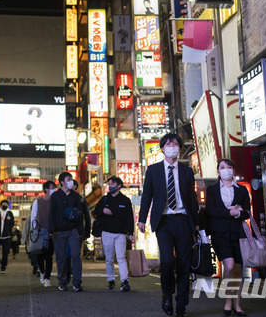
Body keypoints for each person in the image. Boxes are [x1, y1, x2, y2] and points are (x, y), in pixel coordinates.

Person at [138, 133, 199, 317]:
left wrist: (196, 224)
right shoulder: (153, 170)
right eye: (169, 144)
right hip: (163, 221)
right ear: (163, 148)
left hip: (183, 219)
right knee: (167, 261)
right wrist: (141, 219)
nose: (173, 146)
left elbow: (192, 199)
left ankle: (181, 304)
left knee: (183, 264)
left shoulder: (187, 171)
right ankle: (167, 294)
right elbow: (147, 195)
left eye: (175, 144)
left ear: (179, 149)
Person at [206, 159, 251, 317]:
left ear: (233, 170)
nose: (226, 170)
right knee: (229, 265)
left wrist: (238, 212)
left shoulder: (242, 190)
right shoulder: (211, 189)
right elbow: (210, 211)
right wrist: (228, 212)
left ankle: (237, 304)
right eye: (223, 168)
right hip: (219, 233)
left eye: (229, 167)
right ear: (218, 172)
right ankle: (228, 301)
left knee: (238, 268)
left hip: (238, 232)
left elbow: (247, 212)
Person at [49, 172, 89, 292]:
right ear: (62, 182)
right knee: (61, 257)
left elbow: (80, 214)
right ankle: (62, 281)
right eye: (68, 179)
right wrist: (51, 229)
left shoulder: (76, 196)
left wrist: (81, 230)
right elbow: (51, 213)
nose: (71, 181)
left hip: (73, 230)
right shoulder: (55, 196)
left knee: (75, 256)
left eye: (71, 179)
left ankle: (77, 282)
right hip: (59, 231)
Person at [93, 176, 134, 292]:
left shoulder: (125, 201)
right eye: (109, 184)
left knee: (121, 257)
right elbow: (95, 211)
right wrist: (103, 211)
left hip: (120, 234)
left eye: (112, 184)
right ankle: (111, 280)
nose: (109, 186)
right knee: (109, 259)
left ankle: (124, 281)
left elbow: (129, 218)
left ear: (118, 186)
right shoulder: (105, 199)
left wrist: (130, 233)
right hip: (106, 233)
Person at [30, 180, 56, 287]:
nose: (54, 189)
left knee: (49, 256)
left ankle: (47, 278)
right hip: (40, 232)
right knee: (40, 255)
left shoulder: (55, 202)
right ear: (46, 189)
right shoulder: (38, 201)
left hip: (51, 232)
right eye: (52, 187)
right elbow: (33, 217)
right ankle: (42, 272)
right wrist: (34, 231)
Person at [0, 199, 14, 273]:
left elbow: (12, 223)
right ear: (1, 205)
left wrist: (8, 231)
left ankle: (3, 267)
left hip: (6, 237)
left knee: (5, 253)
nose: (5, 205)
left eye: (6, 204)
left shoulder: (9, 213)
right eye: (3, 204)